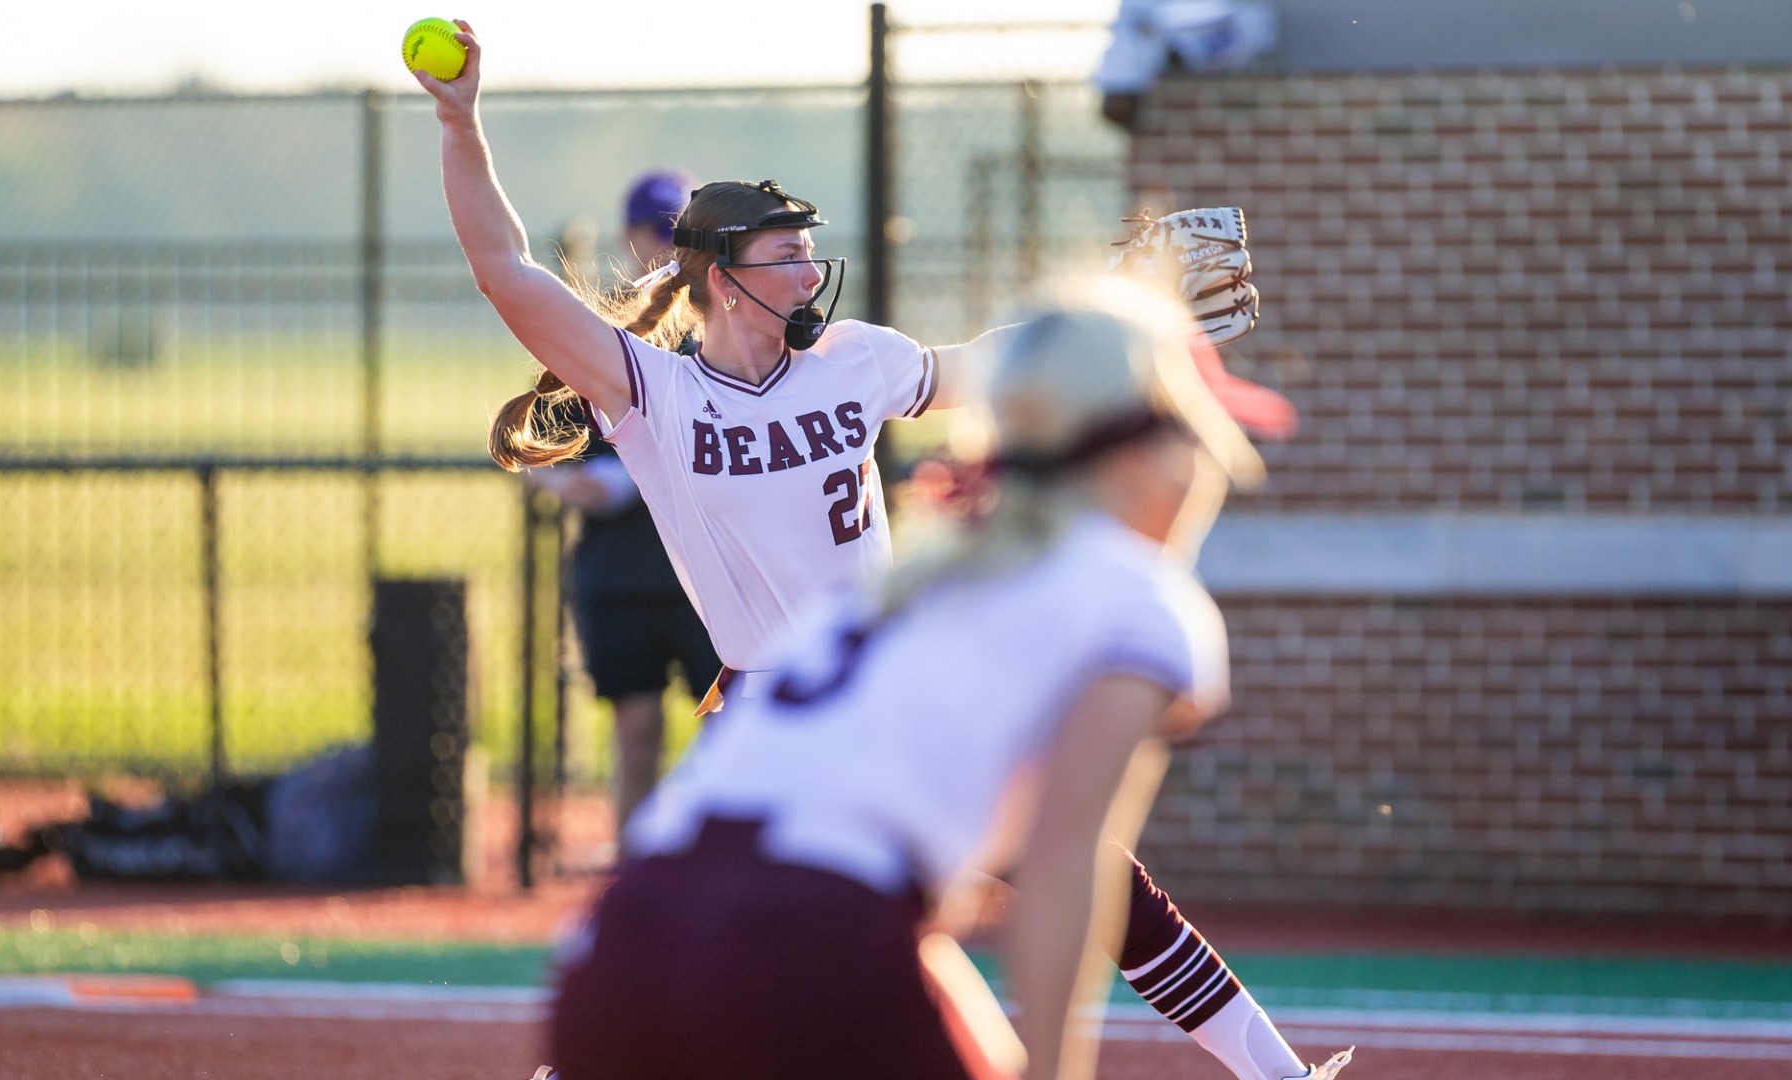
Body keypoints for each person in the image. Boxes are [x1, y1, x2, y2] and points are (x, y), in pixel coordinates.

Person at [412, 24, 1335, 1080]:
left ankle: (1278, 1071)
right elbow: (505, 270)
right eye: (785, 254)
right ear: (721, 280)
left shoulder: (855, 360)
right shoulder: (652, 391)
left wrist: (1122, 326)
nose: (811, 269)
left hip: (875, 690)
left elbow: (991, 367)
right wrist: (459, 122)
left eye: (811, 248)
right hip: (766, 704)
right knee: (755, 947)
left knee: (1040, 893)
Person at [551, 280, 1349, 1080]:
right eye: (1194, 440)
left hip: (617, 946)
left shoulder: (896, 586)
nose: (1205, 469)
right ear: (1138, 454)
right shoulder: (1131, 595)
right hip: (804, 939)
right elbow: (1064, 864)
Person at [529, 172, 722, 832]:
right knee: (637, 734)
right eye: (655, 232)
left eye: (678, 234)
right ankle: (634, 868)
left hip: (702, 577)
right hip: (619, 572)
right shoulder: (597, 332)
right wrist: (563, 484)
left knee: (729, 734)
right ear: (628, 236)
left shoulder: (721, 333)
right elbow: (533, 447)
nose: (665, 247)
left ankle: (708, 865)